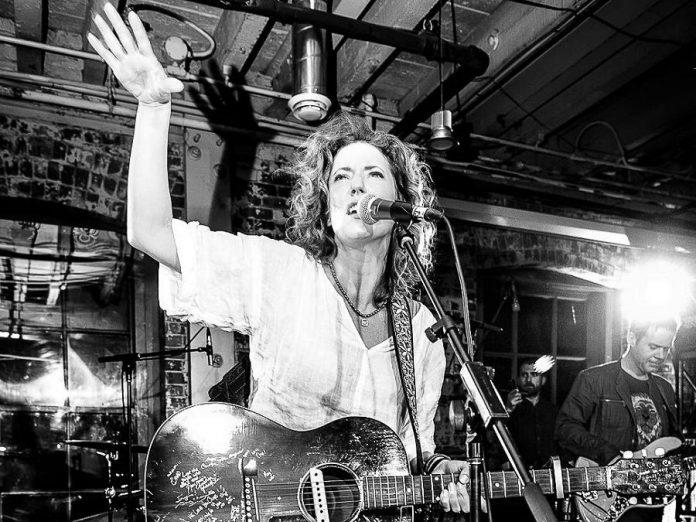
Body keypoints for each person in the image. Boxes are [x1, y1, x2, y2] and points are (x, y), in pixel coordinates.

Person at [88, 2, 471, 514]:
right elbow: (149, 232)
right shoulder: (278, 273)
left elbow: (414, 456)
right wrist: (154, 108)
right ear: (325, 208)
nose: (359, 185)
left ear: (401, 203)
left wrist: (449, 475)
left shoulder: (422, 329)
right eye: (342, 177)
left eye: (375, 175)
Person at [555, 316, 680, 522]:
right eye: (653, 346)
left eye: (666, 349)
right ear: (632, 337)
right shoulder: (594, 379)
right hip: (608, 499)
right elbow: (565, 429)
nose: (661, 355)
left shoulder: (664, 388)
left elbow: (671, 441)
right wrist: (609, 454)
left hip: (650, 502)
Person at [505, 357, 557, 469]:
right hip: (519, 473)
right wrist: (508, 410)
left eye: (534, 375)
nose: (528, 380)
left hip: (549, 473)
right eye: (524, 375)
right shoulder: (511, 408)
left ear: (543, 380)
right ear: (518, 380)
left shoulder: (553, 411)